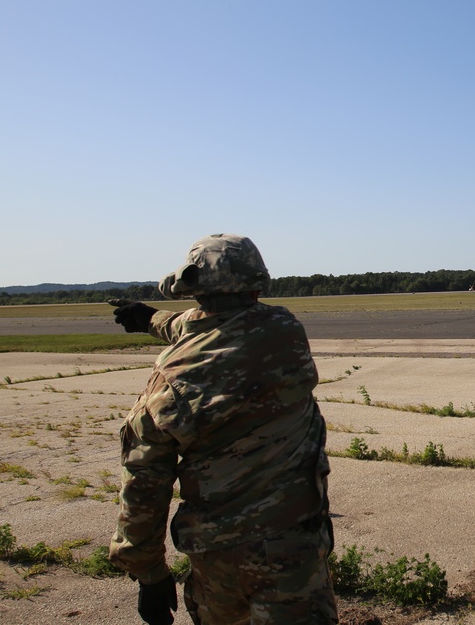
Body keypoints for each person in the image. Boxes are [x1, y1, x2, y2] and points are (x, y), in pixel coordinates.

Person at [107, 234, 337, 625]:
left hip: (216, 557)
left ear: (193, 291)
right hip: (293, 545)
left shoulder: (171, 379)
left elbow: (144, 480)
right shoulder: (283, 331)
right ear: (256, 283)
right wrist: (152, 320)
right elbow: (218, 325)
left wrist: (148, 573)